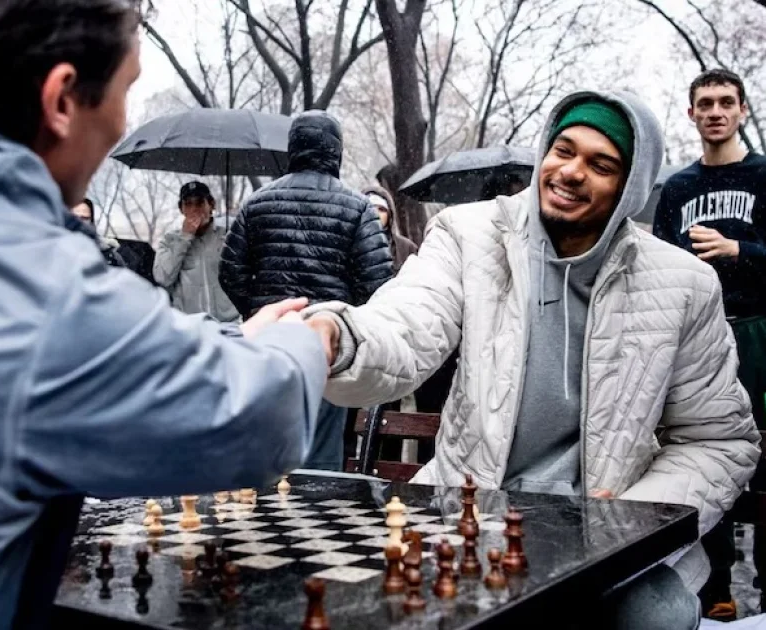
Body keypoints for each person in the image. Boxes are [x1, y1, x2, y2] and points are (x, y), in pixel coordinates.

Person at [0, 1, 328, 629]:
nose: (123, 120)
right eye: (126, 89)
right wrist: (305, 339)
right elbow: (264, 413)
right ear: (63, 100)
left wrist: (233, 337)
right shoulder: (33, 287)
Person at [302, 90, 761, 629]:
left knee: (657, 613)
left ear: (630, 186)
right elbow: (405, 322)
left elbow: (719, 439)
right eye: (563, 150)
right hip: (468, 516)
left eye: (600, 164)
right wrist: (337, 335)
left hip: (608, 529)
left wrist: (633, 521)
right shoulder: (469, 235)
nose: (570, 172)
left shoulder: (684, 284)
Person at [219, 110, 394, 471]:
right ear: (336, 151)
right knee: (323, 455)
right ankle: (320, 517)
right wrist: (343, 322)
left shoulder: (256, 203)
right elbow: (378, 282)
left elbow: (230, 271)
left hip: (269, 344)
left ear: (292, 148)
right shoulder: (358, 208)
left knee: (266, 450)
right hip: (326, 350)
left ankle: (265, 522)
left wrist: (259, 312)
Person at [653, 68, 766, 620]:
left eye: (726, 101)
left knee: (765, 458)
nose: (716, 111)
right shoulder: (676, 188)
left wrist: (738, 250)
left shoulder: (765, 176)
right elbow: (653, 267)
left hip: (759, 330)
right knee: (701, 455)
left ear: (742, 110)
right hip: (698, 340)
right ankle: (714, 585)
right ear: (691, 114)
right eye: (706, 103)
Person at [153, 181, 239, 322]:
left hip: (230, 324)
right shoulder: (169, 241)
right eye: (188, 204)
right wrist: (184, 237)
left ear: (211, 205)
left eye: (199, 203)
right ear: (181, 209)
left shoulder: (229, 236)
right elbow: (162, 278)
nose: (194, 209)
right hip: (190, 325)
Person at [362, 184, 418, 273]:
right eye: (371, 208)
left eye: (381, 209)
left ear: (390, 215)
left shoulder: (406, 248)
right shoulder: (350, 246)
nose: (376, 213)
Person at [70, 197, 127, 267]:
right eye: (74, 217)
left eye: (85, 218)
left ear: (91, 221)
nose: (80, 222)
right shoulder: (55, 253)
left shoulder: (109, 256)